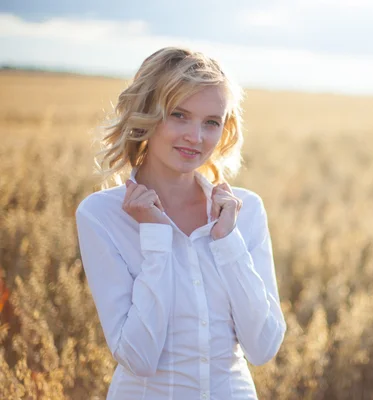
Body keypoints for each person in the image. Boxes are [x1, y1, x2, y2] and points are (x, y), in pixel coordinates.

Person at [75, 46, 286, 399]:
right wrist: (156, 239)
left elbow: (263, 348)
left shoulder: (243, 211)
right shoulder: (101, 216)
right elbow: (139, 358)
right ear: (147, 114)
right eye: (179, 115)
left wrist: (227, 241)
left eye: (211, 122)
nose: (196, 137)